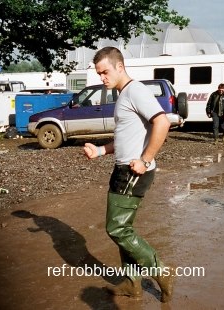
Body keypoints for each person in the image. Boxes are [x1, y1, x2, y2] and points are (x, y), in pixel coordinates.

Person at [83, 47, 173, 303]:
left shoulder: (135, 90)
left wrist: (145, 160)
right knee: (123, 227)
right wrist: (100, 150)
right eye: (99, 73)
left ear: (120, 66)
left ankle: (162, 272)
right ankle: (132, 284)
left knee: (117, 228)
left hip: (134, 171)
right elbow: (125, 138)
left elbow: (162, 122)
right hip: (122, 169)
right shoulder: (123, 95)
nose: (102, 78)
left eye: (105, 72)